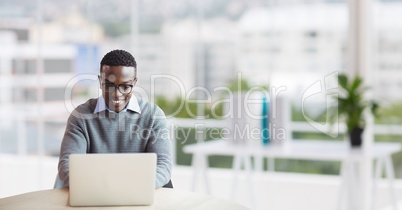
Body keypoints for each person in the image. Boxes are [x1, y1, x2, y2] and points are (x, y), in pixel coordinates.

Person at [57, 49, 172, 189]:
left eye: (125, 86)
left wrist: (132, 188)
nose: (117, 94)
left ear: (134, 83)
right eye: (109, 85)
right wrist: (101, 189)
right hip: (93, 194)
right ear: (100, 81)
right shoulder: (81, 116)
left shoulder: (153, 116)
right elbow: (67, 164)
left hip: (138, 194)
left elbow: (163, 165)